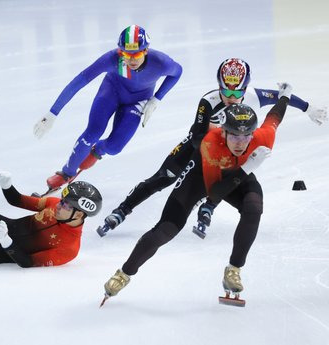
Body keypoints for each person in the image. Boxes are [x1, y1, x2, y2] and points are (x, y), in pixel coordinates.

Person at [101, 83, 301, 302]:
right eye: (234, 136)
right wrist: (247, 168)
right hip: (201, 178)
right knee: (165, 230)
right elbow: (214, 193)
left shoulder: (261, 138)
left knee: (254, 206)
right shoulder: (211, 143)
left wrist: (285, 97)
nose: (241, 143)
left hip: (236, 174)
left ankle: (233, 270)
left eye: (246, 137)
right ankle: (124, 273)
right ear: (223, 131)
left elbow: (274, 118)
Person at [98, 58, 327, 234]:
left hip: (228, 148)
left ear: (245, 88)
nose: (230, 96)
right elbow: (196, 136)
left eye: (236, 92)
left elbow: (281, 96)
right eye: (225, 90)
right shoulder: (209, 101)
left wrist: (308, 108)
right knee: (164, 178)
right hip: (199, 145)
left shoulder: (256, 96)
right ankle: (122, 209)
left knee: (228, 175)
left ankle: (208, 205)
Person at [33, 25, 183, 191]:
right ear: (120, 52)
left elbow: (177, 72)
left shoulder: (161, 63)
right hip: (111, 92)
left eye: (137, 54)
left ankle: (97, 151)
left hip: (137, 101)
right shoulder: (112, 59)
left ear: (146, 50)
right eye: (126, 54)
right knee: (93, 132)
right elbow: (79, 81)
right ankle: (66, 173)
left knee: (114, 147)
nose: (132, 60)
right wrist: (53, 113)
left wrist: (156, 99)